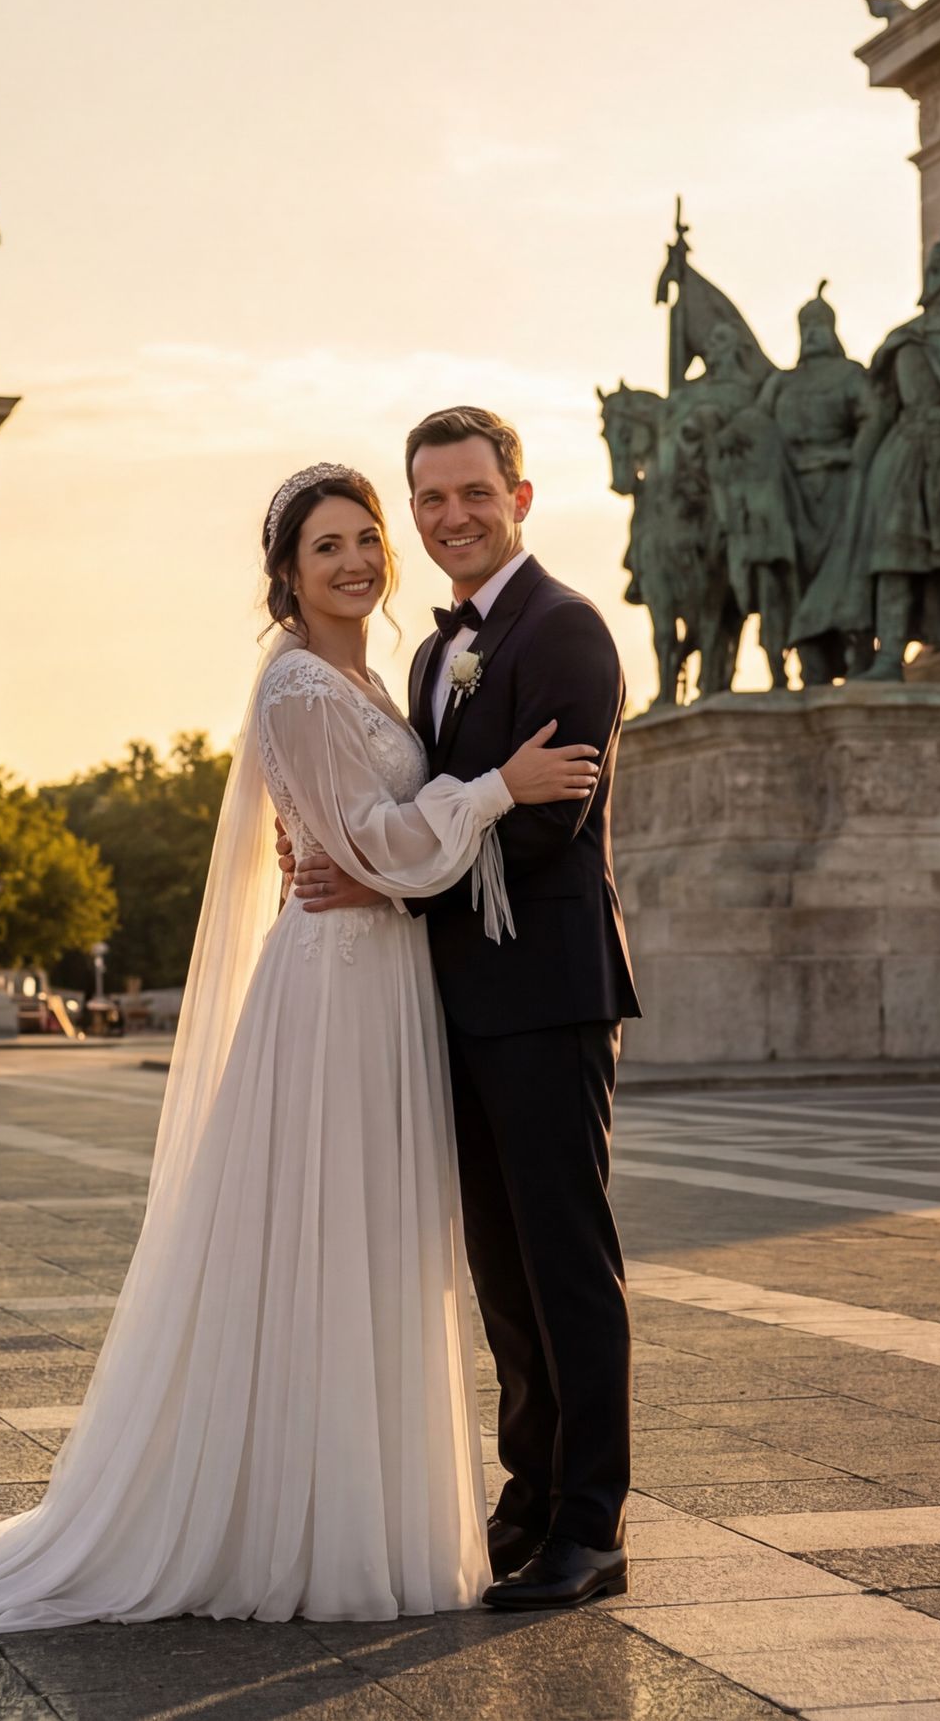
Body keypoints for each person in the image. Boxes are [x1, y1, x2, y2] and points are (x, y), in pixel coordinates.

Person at [0, 460, 602, 1640]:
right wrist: (493, 790)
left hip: (388, 979)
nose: (354, 561)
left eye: (363, 539)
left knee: (373, 1244)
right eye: (326, 546)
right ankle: (309, 1524)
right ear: (286, 574)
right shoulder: (298, 684)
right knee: (327, 1238)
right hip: (337, 987)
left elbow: (375, 847)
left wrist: (390, 852)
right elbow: (379, 842)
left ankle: (376, 1512)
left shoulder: (390, 675)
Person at [292, 405, 641, 1611]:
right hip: (459, 1003)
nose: (453, 517)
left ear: (520, 498)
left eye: (474, 494)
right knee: (502, 1274)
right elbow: (437, 808)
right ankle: (529, 1497)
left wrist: (383, 879)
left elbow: (547, 826)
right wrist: (369, 855)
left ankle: (592, 1526)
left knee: (567, 1264)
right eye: (432, 499)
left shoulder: (568, 630)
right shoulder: (435, 655)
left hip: (546, 995)